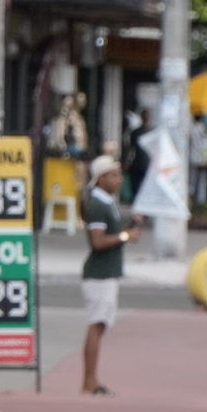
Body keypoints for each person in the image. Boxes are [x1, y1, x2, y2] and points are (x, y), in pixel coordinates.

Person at [80, 155, 142, 396]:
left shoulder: (107, 202)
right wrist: (125, 237)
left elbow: (115, 232)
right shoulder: (97, 205)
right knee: (96, 325)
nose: (119, 180)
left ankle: (92, 380)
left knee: (101, 325)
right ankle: (88, 382)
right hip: (99, 275)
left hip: (108, 273)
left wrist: (132, 226)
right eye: (114, 175)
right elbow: (98, 241)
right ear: (101, 178)